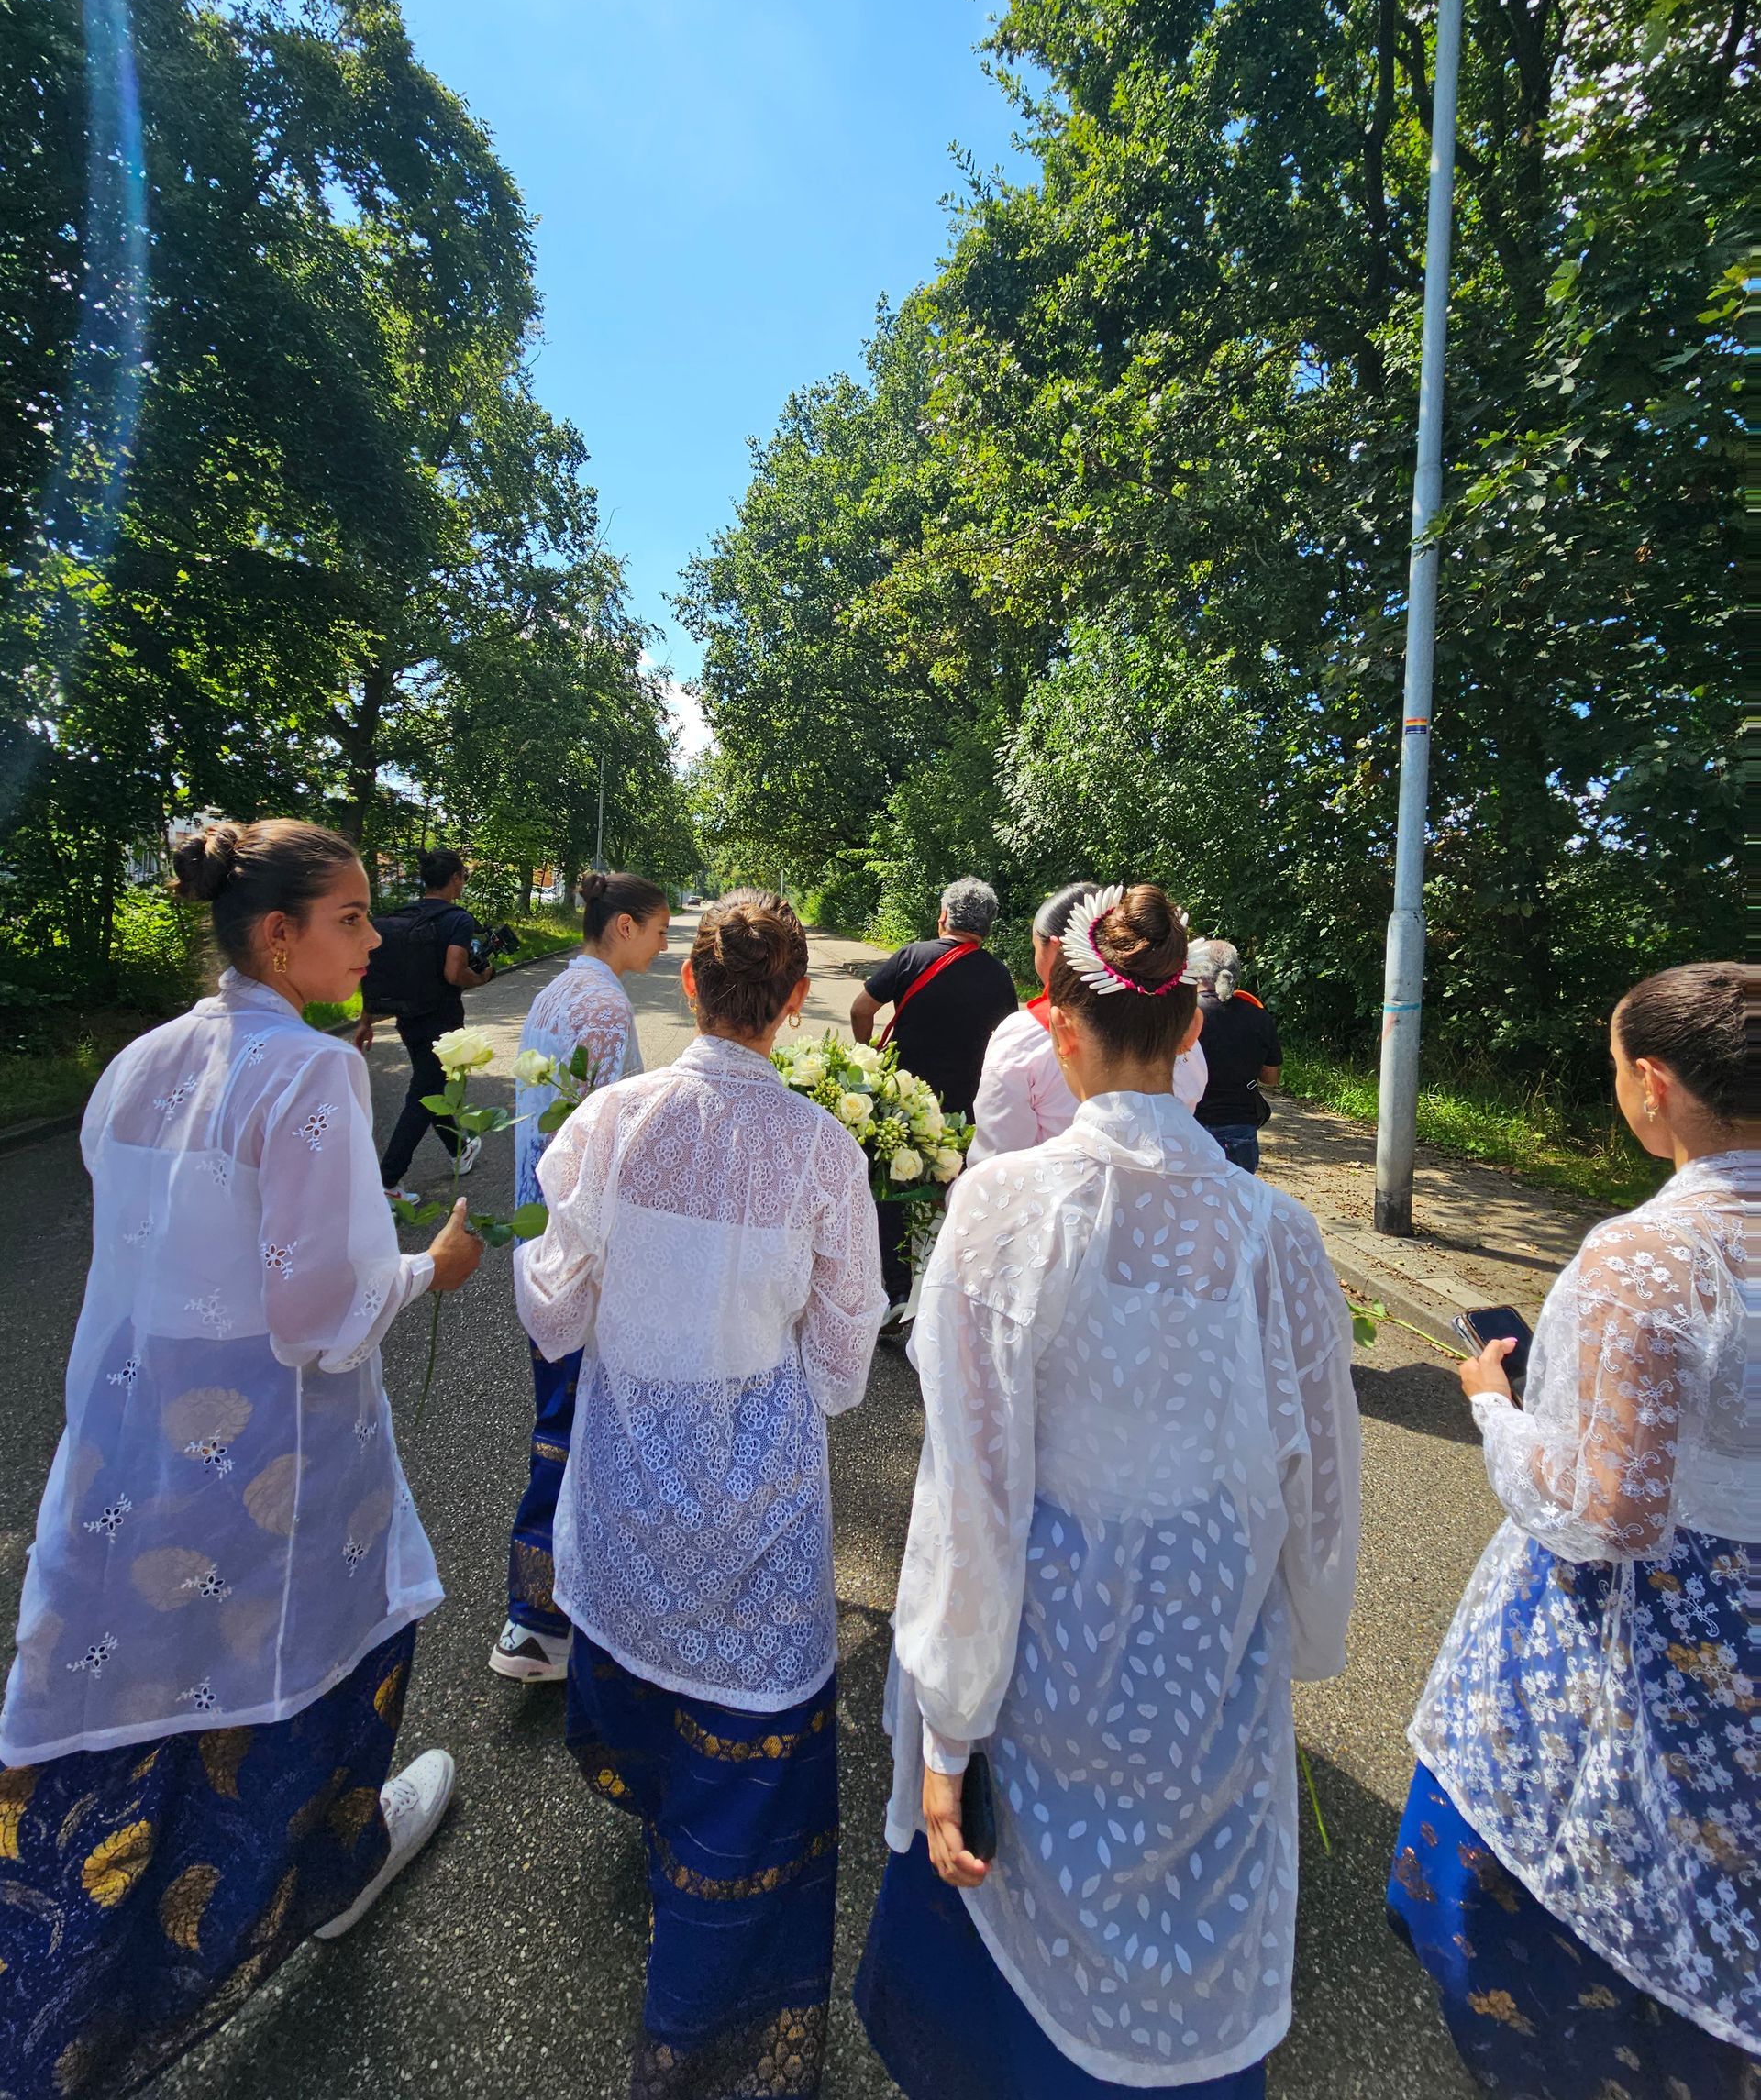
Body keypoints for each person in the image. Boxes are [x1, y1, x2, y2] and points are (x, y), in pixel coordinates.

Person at [0, 819, 482, 2100]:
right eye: (352, 919)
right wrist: (430, 1269)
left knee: (139, 1666)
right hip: (274, 1434)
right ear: (279, 934)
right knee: (322, 1634)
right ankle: (323, 1863)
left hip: (136, 1433)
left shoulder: (141, 1061)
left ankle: (71, 1973)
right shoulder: (310, 1072)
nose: (376, 940)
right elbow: (316, 1313)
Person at [855, 882, 1361, 2100]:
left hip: (1042, 1650)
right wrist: (1305, 1623)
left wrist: (948, 1723)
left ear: (1059, 1029)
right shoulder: (1273, 1230)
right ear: (1193, 1030)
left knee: (1007, 1906)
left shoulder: (1000, 1208)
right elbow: (1321, 1469)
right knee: (1188, 1914)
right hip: (1207, 1647)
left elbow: (971, 1493)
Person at [515, 890, 887, 2097]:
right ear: (794, 1002)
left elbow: (555, 1307)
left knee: (634, 1654)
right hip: (761, 1480)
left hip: (628, 1470)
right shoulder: (825, 1152)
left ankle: (655, 1813)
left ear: (687, 986)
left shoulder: (612, 1123)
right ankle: (713, 2018)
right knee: (754, 1726)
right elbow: (840, 1364)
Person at [1388, 962, 1758, 2096]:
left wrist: (1497, 1407)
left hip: (1654, 1638)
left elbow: (1608, 1506)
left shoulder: (1646, 1257)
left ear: (1653, 1083)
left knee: (1592, 1880)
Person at [490, 868, 671, 1684]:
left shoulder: (565, 989)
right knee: (566, 1430)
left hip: (542, 1232)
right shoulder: (602, 1008)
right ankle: (534, 1623)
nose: (665, 943)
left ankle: (561, 1602)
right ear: (624, 925)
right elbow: (603, 1151)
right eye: (660, 928)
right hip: (574, 1244)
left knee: (560, 1421)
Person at [851, 875, 1017, 1305]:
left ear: (943, 916)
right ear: (988, 927)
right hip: (966, 1107)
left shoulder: (912, 956)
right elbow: (1007, 1041)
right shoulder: (999, 976)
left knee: (891, 1190)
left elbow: (861, 1008)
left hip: (905, 1101)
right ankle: (946, 1295)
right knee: (954, 1197)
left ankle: (896, 1293)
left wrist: (866, 1055)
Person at [968, 880, 1207, 1163]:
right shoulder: (1178, 1038)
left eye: (1036, 947)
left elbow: (996, 1156)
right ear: (1192, 1029)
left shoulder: (1023, 1037)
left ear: (1058, 949)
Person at [356, 848, 494, 1188]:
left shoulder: (401, 916)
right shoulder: (457, 919)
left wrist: (366, 1019)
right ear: (456, 878)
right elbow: (453, 972)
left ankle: (458, 1149)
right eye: (463, 877)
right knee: (423, 1093)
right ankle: (387, 1182)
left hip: (407, 1018)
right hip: (442, 1020)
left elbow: (382, 973)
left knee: (429, 1084)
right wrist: (482, 977)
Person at [1188, 937, 1281, 1173]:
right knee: (1238, 1206)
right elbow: (1271, 1077)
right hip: (1239, 1126)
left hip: (1189, 1123)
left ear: (1197, 970)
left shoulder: (1183, 1014)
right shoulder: (1258, 1016)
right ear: (1235, 972)